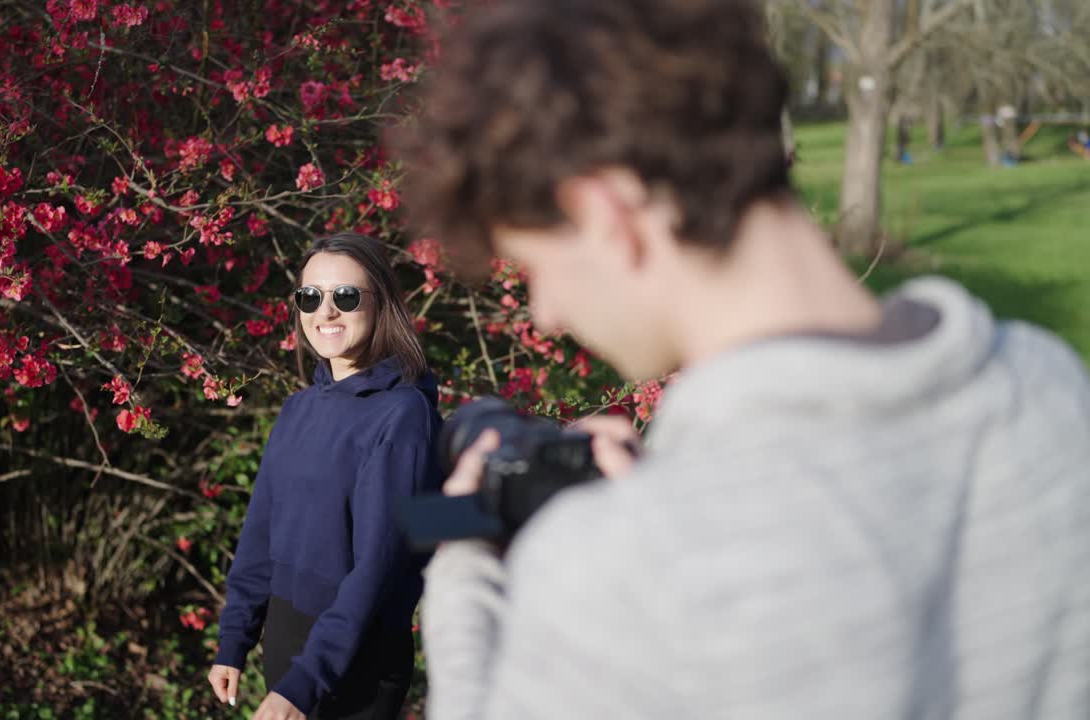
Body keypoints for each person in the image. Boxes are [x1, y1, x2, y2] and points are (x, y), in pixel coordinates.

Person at [392, 1, 1090, 718]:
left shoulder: (622, 565)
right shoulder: (1047, 386)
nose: (547, 314)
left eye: (536, 266)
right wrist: (664, 489)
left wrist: (468, 562)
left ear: (608, 215)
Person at [207, 232, 443, 720]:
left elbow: (379, 568)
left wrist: (306, 682)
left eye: (346, 296)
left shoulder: (402, 415)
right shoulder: (298, 408)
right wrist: (235, 638)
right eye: (310, 297)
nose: (325, 312)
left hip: (357, 658)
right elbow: (261, 533)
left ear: (383, 306)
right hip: (288, 641)